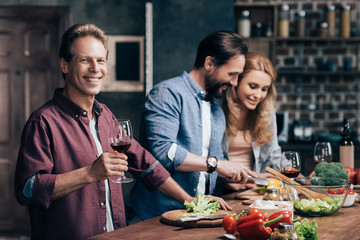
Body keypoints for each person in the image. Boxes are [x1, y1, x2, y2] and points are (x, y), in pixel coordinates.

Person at [14, 23, 230, 240]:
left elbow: (146, 165)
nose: (95, 68)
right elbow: (27, 189)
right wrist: (89, 173)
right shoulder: (42, 121)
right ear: (65, 65)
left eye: (100, 60)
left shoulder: (105, 115)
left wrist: (188, 200)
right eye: (84, 60)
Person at [128, 30, 252, 221]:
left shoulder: (215, 108)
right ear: (209, 63)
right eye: (232, 74)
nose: (235, 83)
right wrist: (217, 165)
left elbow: (213, 162)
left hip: (195, 213)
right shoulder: (167, 93)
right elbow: (163, 152)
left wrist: (244, 175)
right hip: (155, 215)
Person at [220, 51, 283, 193]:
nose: (258, 95)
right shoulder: (217, 112)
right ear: (236, 82)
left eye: (264, 89)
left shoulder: (267, 115)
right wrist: (226, 181)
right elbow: (208, 161)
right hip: (221, 190)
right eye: (253, 86)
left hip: (254, 190)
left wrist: (297, 175)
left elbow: (274, 156)